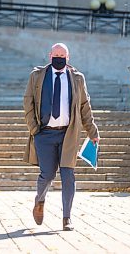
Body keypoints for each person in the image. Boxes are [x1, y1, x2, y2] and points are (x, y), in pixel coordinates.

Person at [23, 42, 99, 231]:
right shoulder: (37, 76)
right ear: (50, 56)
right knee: (47, 175)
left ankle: (67, 218)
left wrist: (93, 132)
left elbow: (84, 106)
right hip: (44, 134)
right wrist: (34, 129)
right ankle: (39, 201)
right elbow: (28, 102)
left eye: (62, 55)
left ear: (68, 58)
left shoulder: (77, 78)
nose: (59, 58)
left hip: (68, 134)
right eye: (56, 55)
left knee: (68, 175)